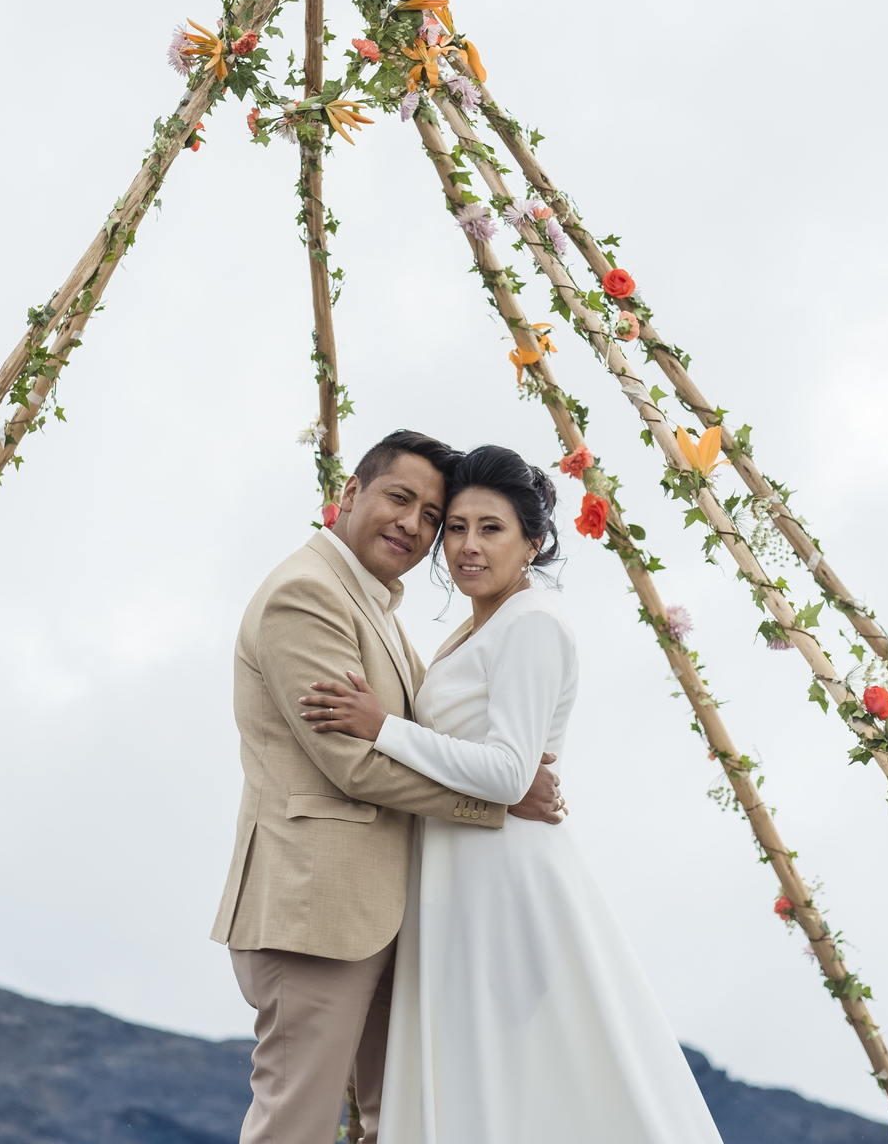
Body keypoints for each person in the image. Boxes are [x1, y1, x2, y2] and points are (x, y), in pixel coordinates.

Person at [302, 443, 724, 1144]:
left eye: (490, 528)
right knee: (486, 1081)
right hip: (462, 872)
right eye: (457, 528)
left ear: (532, 540)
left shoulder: (533, 623)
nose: (467, 546)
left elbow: (506, 772)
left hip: (503, 875)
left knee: (516, 1075)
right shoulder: (484, 625)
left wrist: (384, 730)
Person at [211, 429, 564, 1144]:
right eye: (400, 499)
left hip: (384, 913)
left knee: (396, 1123)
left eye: (432, 516)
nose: (415, 525)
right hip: (317, 909)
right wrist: (498, 799)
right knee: (295, 1124)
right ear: (349, 495)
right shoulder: (307, 594)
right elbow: (354, 762)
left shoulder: (377, 606)